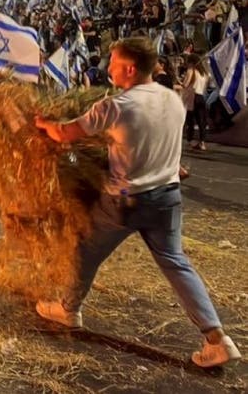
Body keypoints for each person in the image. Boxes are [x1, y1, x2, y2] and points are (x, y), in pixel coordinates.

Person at [33, 37, 241, 368]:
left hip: (124, 202)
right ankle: (217, 339)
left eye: (113, 62)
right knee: (176, 263)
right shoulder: (172, 99)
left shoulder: (116, 106)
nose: (108, 67)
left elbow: (66, 135)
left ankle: (68, 310)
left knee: (83, 250)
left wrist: (43, 123)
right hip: (168, 197)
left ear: (130, 68)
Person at [181, 53, 209, 151]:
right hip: (201, 96)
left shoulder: (191, 71)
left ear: (191, 62)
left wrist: (179, 81)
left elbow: (185, 84)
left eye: (188, 62)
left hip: (192, 96)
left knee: (190, 120)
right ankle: (202, 142)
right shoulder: (204, 74)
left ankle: (190, 140)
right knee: (201, 121)